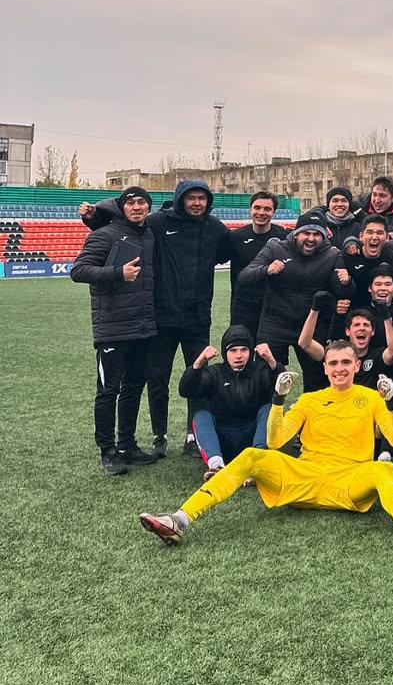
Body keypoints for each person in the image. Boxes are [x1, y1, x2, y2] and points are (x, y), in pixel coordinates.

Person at [139, 343, 393, 547]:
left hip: (349, 481)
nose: (339, 368)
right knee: (252, 455)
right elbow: (275, 440)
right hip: (304, 479)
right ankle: (179, 520)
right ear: (325, 368)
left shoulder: (372, 397)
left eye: (346, 362)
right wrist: (278, 400)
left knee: (382, 469)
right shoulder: (310, 400)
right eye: (333, 363)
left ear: (357, 365)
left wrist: (390, 404)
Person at [82, 178, 234, 458]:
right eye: (191, 198)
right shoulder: (158, 222)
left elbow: (234, 249)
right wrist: (94, 217)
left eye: (202, 198)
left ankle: (193, 436)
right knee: (157, 379)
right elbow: (122, 226)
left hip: (198, 318)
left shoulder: (215, 227)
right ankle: (159, 435)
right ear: (180, 199)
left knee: (198, 378)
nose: (197, 203)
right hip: (161, 318)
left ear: (208, 201)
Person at [70, 185, 159, 475]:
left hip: (143, 327)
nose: (137, 207)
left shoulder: (149, 235)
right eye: (130, 203)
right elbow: (78, 270)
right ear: (121, 208)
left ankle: (127, 445)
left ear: (149, 207)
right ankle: (108, 451)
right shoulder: (104, 234)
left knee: (133, 388)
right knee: (108, 391)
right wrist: (118, 273)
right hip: (112, 328)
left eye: (142, 202)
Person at [237, 219, 353, 391]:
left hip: (311, 325)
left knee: (318, 378)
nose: (311, 238)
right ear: (296, 234)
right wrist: (266, 270)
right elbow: (244, 277)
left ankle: (313, 408)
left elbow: (343, 292)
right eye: (306, 233)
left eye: (317, 234)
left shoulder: (332, 255)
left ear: (323, 237)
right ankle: (266, 408)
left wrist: (347, 282)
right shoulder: (275, 248)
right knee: (264, 375)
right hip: (275, 323)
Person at [179, 327, 282, 477]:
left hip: (252, 437)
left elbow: (283, 387)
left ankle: (258, 461)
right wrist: (198, 363)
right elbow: (186, 390)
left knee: (269, 408)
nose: (238, 355)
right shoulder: (215, 372)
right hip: (222, 440)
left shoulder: (260, 370)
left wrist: (272, 362)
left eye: (244, 350)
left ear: (251, 352)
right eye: (233, 350)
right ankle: (216, 465)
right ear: (225, 352)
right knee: (200, 415)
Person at [227, 191, 289, 336]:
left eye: (267, 209)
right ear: (250, 209)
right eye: (257, 208)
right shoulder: (235, 237)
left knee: (271, 348)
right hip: (242, 306)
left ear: (274, 212)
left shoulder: (284, 237)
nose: (261, 212)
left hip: (274, 305)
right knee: (242, 346)